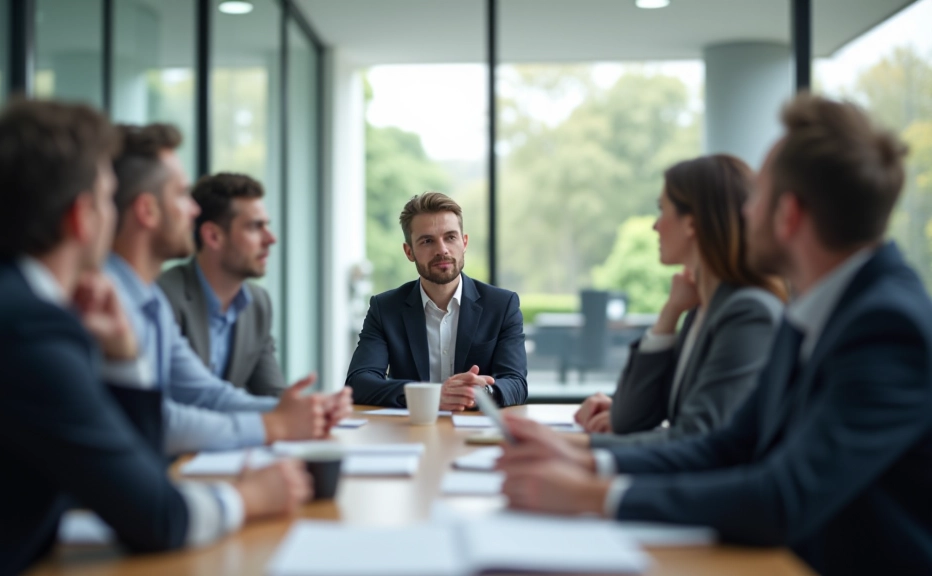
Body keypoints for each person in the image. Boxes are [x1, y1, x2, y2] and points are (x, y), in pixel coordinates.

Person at [496, 94, 932, 575]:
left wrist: (591, 494)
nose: (744, 214)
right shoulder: (815, 311)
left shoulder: (888, 327)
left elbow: (782, 496)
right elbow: (725, 446)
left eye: (757, 198)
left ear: (788, 215)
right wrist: (588, 463)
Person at [0, 100, 311, 575]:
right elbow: (156, 518)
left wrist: (123, 358)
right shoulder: (28, 333)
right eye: (106, 196)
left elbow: (137, 481)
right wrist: (248, 496)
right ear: (82, 217)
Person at [106, 123, 350, 455]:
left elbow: (206, 393)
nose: (192, 209)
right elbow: (156, 420)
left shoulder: (147, 299)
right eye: (181, 194)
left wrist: (307, 410)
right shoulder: (119, 299)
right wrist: (274, 424)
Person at [574, 155, 785, 447]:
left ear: (691, 224)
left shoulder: (748, 312)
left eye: (663, 210)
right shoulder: (700, 310)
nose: (655, 226)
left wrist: (579, 449)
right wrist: (669, 315)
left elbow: (698, 438)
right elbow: (629, 419)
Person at [346, 192, 527, 409]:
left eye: (450, 237)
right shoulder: (385, 309)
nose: (442, 250)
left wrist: (478, 392)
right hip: (410, 431)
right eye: (427, 241)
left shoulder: (502, 305)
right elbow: (359, 382)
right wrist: (432, 395)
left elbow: (516, 383)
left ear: (464, 242)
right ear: (409, 251)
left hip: (476, 433)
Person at [158, 173, 284, 397]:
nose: (270, 239)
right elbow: (178, 403)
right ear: (213, 236)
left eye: (267, 225)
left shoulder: (258, 304)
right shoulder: (164, 297)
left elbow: (271, 394)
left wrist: (311, 409)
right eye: (255, 227)